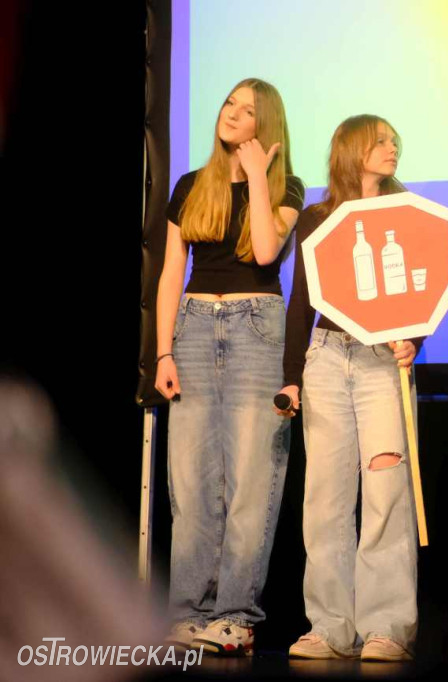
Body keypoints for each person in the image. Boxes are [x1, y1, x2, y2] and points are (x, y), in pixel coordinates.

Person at [155, 78, 304, 655]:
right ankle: (187, 612)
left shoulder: (286, 185)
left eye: (248, 111)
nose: (232, 115)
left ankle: (236, 615)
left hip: (256, 328)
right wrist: (163, 351)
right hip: (193, 327)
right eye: (229, 105)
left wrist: (259, 180)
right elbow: (171, 271)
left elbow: (266, 252)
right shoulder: (191, 185)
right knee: (190, 484)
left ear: (264, 128)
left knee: (250, 482)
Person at [276, 115, 420, 663]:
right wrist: (292, 374)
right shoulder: (317, 217)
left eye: (393, 138)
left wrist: (417, 341)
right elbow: (301, 300)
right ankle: (329, 625)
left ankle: (386, 627)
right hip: (328, 359)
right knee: (326, 497)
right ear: (351, 150)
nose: (391, 147)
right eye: (380, 140)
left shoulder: (405, 211)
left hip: (384, 359)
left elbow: (419, 286)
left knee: (386, 492)